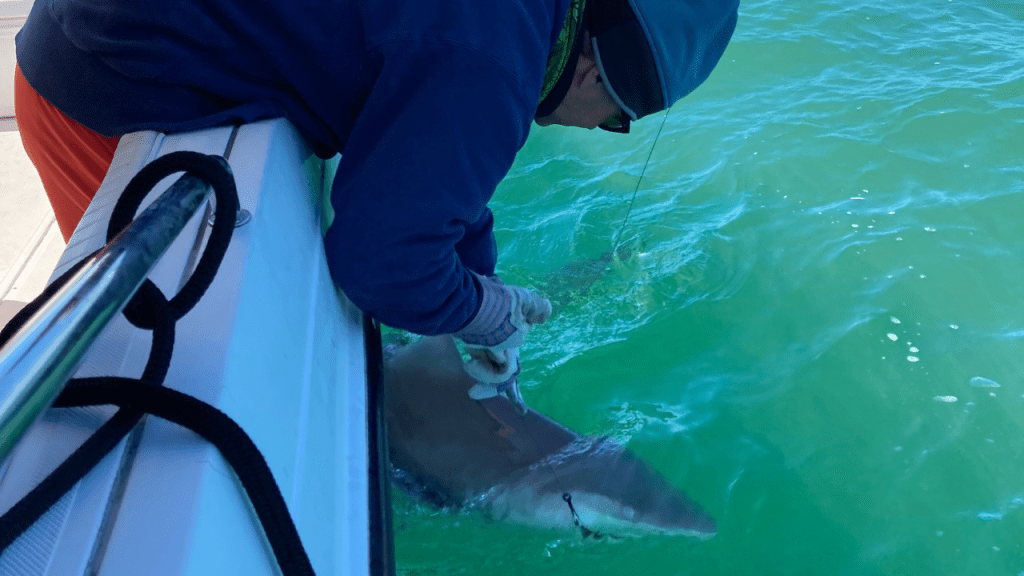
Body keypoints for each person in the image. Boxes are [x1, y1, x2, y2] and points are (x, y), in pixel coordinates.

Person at [14, 0, 739, 399]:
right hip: (102, 86)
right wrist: (479, 311)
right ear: (596, 73)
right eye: (618, 122)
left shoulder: (517, 25)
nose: (604, 128)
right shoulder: (490, 63)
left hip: (113, 27)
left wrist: (476, 284)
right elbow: (376, 264)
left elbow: (433, 170)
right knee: (146, 357)